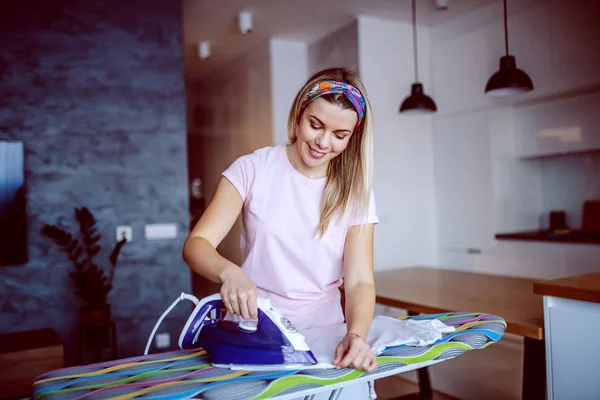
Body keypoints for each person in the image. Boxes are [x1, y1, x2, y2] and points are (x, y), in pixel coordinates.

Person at [182, 67, 379, 377]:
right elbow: (197, 245)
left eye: (340, 135)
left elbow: (359, 282)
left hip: (325, 336)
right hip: (254, 330)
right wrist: (228, 272)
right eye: (316, 125)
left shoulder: (356, 194)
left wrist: (356, 335)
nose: (323, 143)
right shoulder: (253, 169)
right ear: (299, 114)